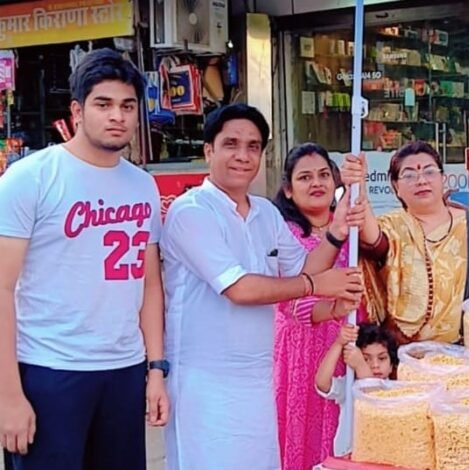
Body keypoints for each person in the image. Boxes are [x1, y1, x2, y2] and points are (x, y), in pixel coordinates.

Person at [161, 104, 365, 470]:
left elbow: (303, 265)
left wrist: (336, 230)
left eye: (253, 146)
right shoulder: (191, 211)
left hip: (258, 377)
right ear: (208, 150)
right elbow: (239, 289)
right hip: (204, 382)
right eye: (231, 144)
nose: (243, 155)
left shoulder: (265, 213)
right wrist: (315, 285)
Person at [0, 48, 168, 470]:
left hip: (124, 369)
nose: (117, 116)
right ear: (77, 111)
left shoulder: (143, 186)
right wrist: (8, 394)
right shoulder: (30, 178)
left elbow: (149, 284)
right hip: (49, 369)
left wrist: (156, 369)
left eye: (127, 106)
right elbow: (1, 288)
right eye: (103, 104)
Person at [272, 142, 367, 469]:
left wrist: (359, 184)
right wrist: (332, 310)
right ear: (288, 189)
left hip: (351, 342)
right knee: (309, 434)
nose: (317, 183)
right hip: (305, 349)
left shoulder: (351, 226)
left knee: (350, 430)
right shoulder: (284, 234)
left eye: (324, 175)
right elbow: (290, 300)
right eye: (305, 177)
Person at [342, 141, 469, 346]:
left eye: (429, 172)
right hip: (406, 354)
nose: (421, 180)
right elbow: (374, 243)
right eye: (409, 175)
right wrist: (359, 188)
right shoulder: (393, 225)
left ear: (443, 178)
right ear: (396, 187)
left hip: (467, 352)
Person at [315, 323, 399, 457]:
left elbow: (375, 399)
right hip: (347, 455)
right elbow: (322, 383)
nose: (375, 365)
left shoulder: (396, 391)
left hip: (379, 457)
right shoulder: (349, 385)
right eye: (366, 359)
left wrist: (361, 365)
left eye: (382, 358)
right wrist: (339, 343)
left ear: (392, 365)